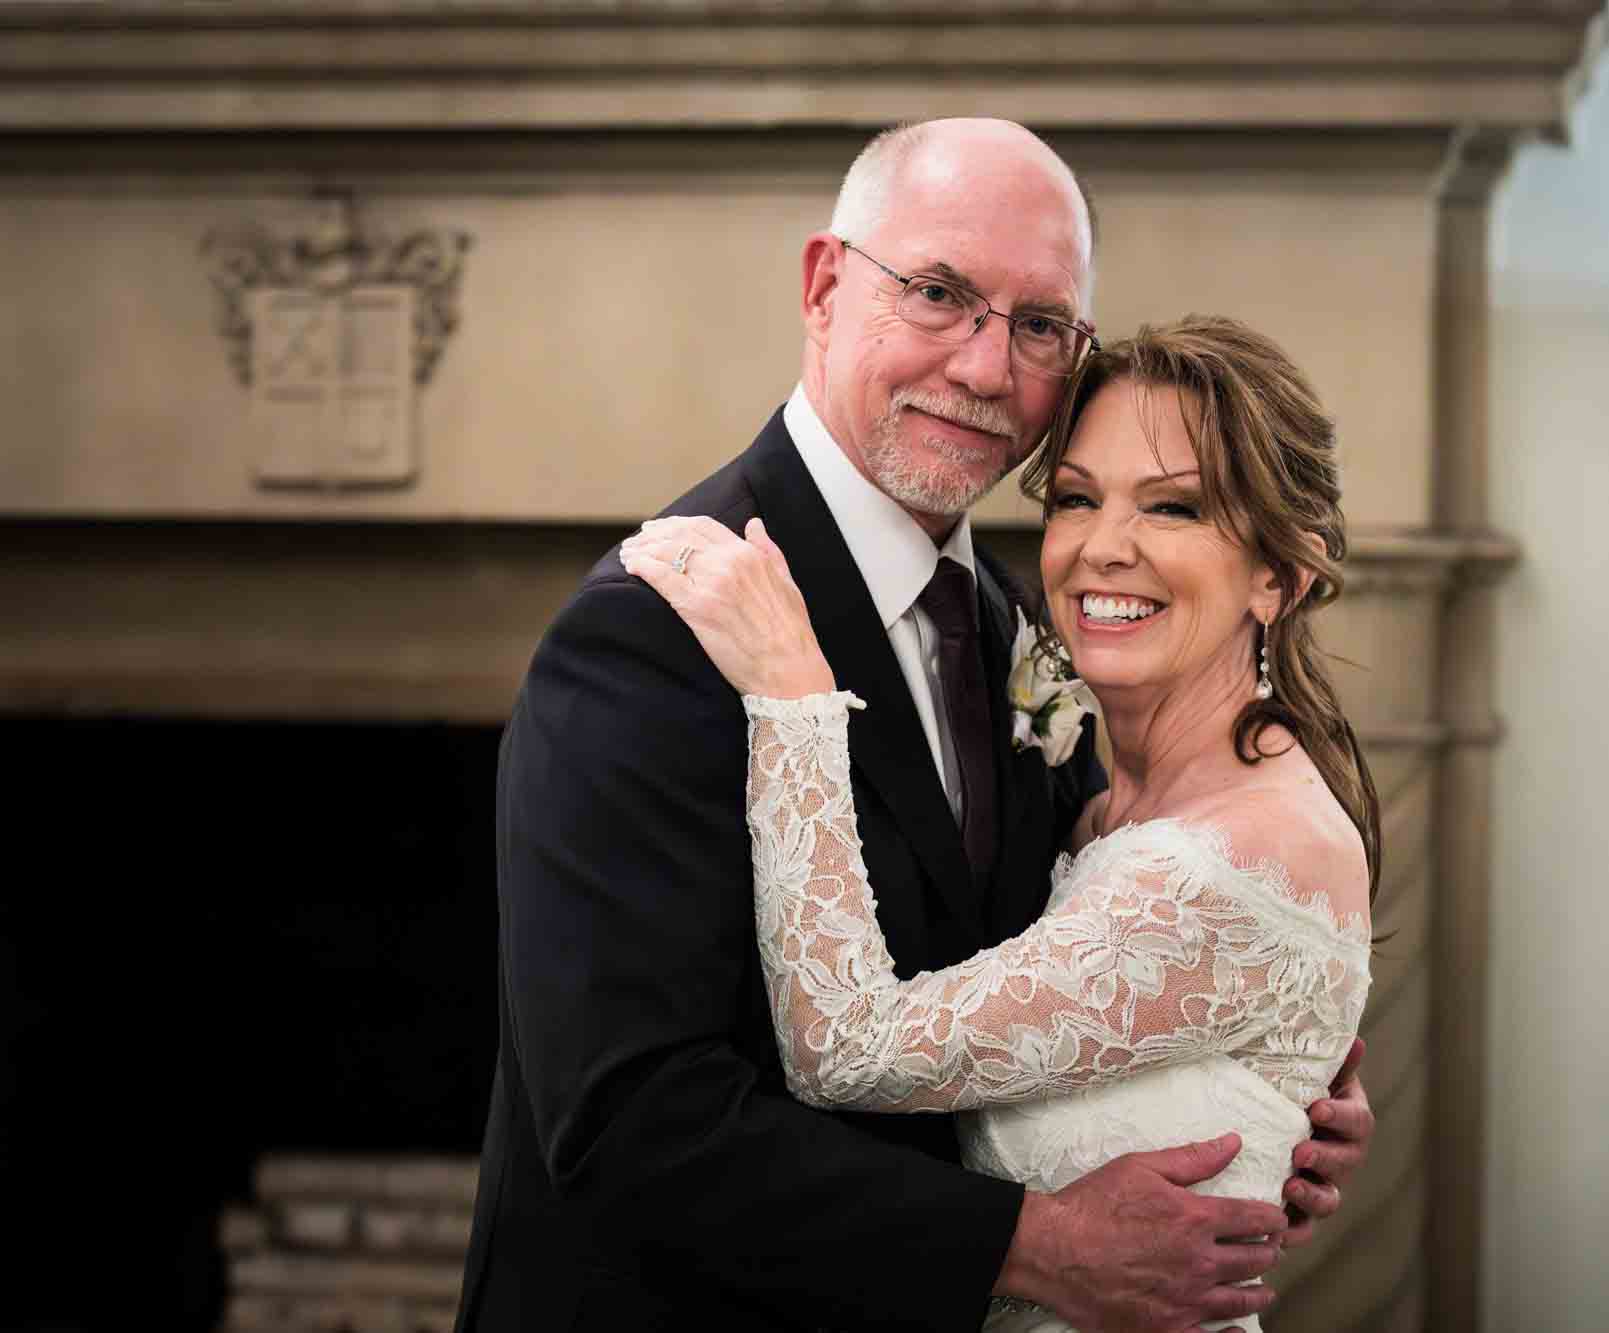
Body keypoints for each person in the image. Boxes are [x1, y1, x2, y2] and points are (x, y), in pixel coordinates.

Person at [454, 119, 1374, 1333]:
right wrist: (1039, 1243)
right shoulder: (656, 627)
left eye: (1039, 325)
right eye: (937, 294)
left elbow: (1053, 974)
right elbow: (631, 1121)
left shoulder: (1010, 623)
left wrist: (1258, 1090)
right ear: (825, 286)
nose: (988, 370)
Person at [622, 315, 1378, 1333]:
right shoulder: (1105, 805)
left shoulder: (1235, 859)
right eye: (1075, 497)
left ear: (1278, 575)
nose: (1103, 547)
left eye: (1174, 506)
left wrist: (795, 696)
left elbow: (846, 1048)